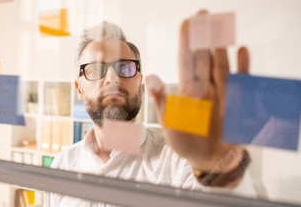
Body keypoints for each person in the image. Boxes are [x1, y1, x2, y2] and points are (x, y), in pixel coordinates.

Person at [45, 11, 257, 206]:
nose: (113, 78)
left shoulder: (177, 161)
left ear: (140, 82)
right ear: (79, 89)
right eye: (96, 69)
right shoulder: (62, 164)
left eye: (124, 67)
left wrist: (217, 168)